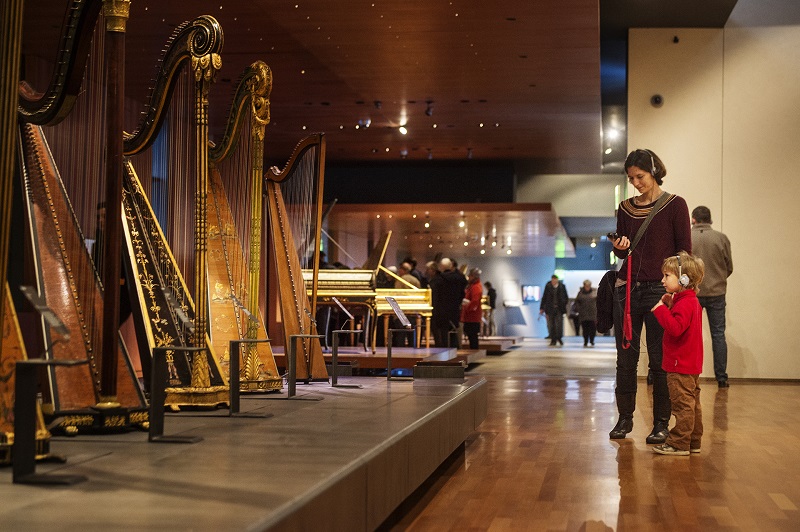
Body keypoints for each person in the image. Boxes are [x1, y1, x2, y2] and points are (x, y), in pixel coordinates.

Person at [608, 149, 692, 444]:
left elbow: (685, 253)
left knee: (660, 360)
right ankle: (624, 419)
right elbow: (622, 251)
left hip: (660, 291)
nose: (635, 183)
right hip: (628, 289)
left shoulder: (675, 205)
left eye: (640, 176)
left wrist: (679, 288)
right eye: (631, 178)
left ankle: (660, 423)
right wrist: (620, 246)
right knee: (625, 360)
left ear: (654, 171)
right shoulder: (625, 207)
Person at [650, 251, 705, 455]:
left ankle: (679, 443)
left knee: (682, 406)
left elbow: (675, 328)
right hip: (690, 363)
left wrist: (661, 310)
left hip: (678, 364)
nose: (662, 280)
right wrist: (671, 304)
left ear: (683, 278)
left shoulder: (685, 303)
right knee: (692, 405)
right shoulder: (690, 301)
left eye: (667, 276)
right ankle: (693, 441)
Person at [691, 205, 733, 387]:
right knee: (718, 335)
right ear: (710, 220)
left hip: (693, 292)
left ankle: (691, 375)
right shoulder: (721, 238)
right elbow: (728, 267)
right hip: (717, 292)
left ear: (693, 219)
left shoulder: (687, 238)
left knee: (691, 334)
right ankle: (721, 378)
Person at [431, 258, 467, 347]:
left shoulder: (438, 280)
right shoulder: (459, 278)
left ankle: (444, 351)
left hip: (441, 310)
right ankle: (455, 350)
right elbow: (462, 294)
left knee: (443, 334)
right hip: (454, 309)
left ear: (441, 267)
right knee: (453, 332)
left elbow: (435, 296)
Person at [540, 274, 568, 346]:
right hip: (550, 309)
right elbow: (544, 297)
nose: (554, 281)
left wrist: (563, 304)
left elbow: (566, 297)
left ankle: (559, 338)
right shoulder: (548, 287)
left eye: (555, 280)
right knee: (551, 325)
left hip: (559, 309)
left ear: (557, 280)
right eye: (552, 280)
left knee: (559, 325)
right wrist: (542, 308)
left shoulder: (562, 287)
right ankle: (553, 340)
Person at [461, 268, 483, 349]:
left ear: (474, 276)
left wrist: (467, 307)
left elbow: (474, 302)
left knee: (473, 337)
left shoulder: (476, 287)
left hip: (472, 317)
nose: (469, 277)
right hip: (471, 316)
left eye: (470, 276)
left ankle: (474, 353)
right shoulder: (473, 286)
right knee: (472, 337)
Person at [575, 279, 597, 347]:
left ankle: (592, 340)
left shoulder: (594, 292)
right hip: (583, 314)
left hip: (593, 314)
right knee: (585, 329)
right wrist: (579, 309)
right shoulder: (580, 293)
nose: (587, 287)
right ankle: (585, 341)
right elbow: (577, 302)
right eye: (586, 286)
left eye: (588, 286)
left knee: (593, 329)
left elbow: (598, 302)